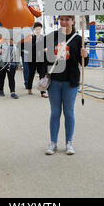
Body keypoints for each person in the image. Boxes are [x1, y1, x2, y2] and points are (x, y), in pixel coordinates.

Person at [35, 15, 88, 156]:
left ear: (73, 21)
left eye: (67, 19)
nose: (64, 22)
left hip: (71, 82)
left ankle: (69, 143)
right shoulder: (52, 36)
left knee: (69, 112)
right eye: (62, 19)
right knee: (55, 112)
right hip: (55, 81)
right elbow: (37, 49)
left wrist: (85, 54)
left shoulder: (78, 38)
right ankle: (53, 142)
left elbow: (85, 63)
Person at [24, 22, 48, 98]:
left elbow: (46, 47)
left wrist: (46, 49)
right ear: (34, 30)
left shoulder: (43, 38)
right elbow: (30, 48)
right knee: (31, 74)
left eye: (39, 29)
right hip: (32, 59)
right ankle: (29, 88)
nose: (38, 30)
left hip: (41, 58)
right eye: (36, 29)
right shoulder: (31, 38)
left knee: (42, 75)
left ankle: (43, 92)